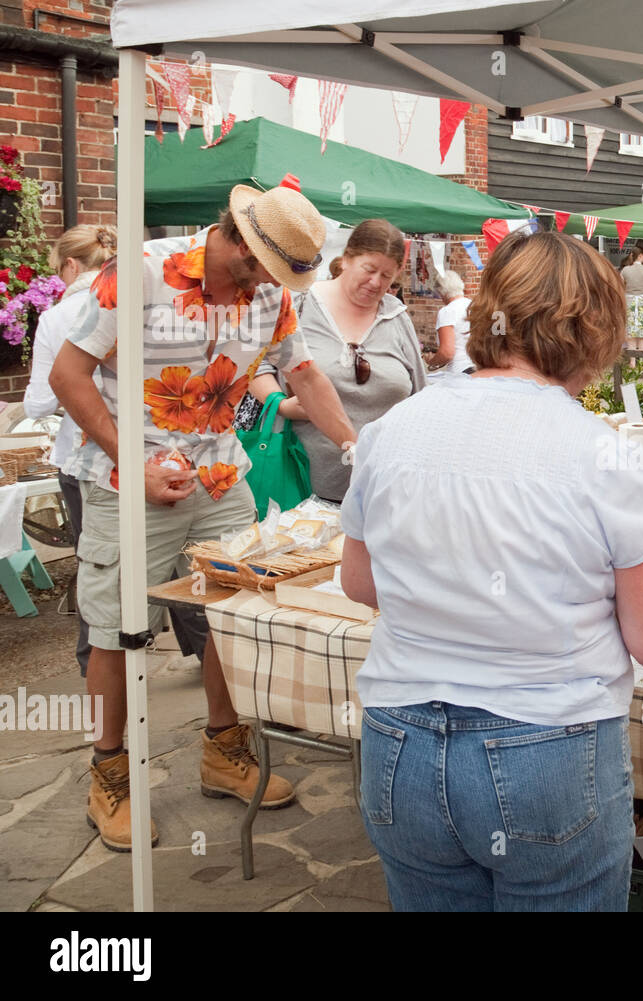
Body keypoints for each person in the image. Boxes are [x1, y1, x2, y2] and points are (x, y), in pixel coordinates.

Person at [339, 228, 643, 910]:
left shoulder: (394, 428)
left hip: (401, 740)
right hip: (544, 746)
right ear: (594, 333)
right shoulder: (602, 453)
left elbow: (361, 581)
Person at [48, 180, 358, 851]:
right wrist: (133, 463)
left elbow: (303, 374)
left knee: (235, 613)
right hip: (125, 480)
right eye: (266, 270)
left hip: (222, 479)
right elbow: (68, 375)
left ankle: (224, 748)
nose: (269, 287)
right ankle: (109, 775)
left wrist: (357, 443)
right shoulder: (138, 274)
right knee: (115, 628)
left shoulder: (270, 295)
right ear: (240, 240)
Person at [249, 219, 425, 504]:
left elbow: (421, 396)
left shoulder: (397, 317)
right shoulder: (299, 304)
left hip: (384, 492)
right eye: (369, 270)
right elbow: (256, 365)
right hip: (303, 490)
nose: (376, 282)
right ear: (345, 260)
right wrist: (280, 403)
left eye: (387, 276)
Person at [24, 224, 117, 676]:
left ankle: (92, 667)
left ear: (71, 265)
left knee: (96, 569)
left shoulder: (60, 316)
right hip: (147, 449)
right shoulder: (133, 298)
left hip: (84, 458)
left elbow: (38, 401)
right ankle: (203, 654)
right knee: (173, 561)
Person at [429, 270, 473, 373]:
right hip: (479, 366)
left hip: (460, 370)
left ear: (441, 292)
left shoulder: (447, 312)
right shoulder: (475, 305)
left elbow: (447, 352)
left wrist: (432, 361)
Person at [621, 247, 643, 352]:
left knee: (630, 333)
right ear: (640, 255)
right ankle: (642, 361)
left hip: (629, 301)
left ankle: (632, 362)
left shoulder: (625, 270)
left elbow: (620, 286)